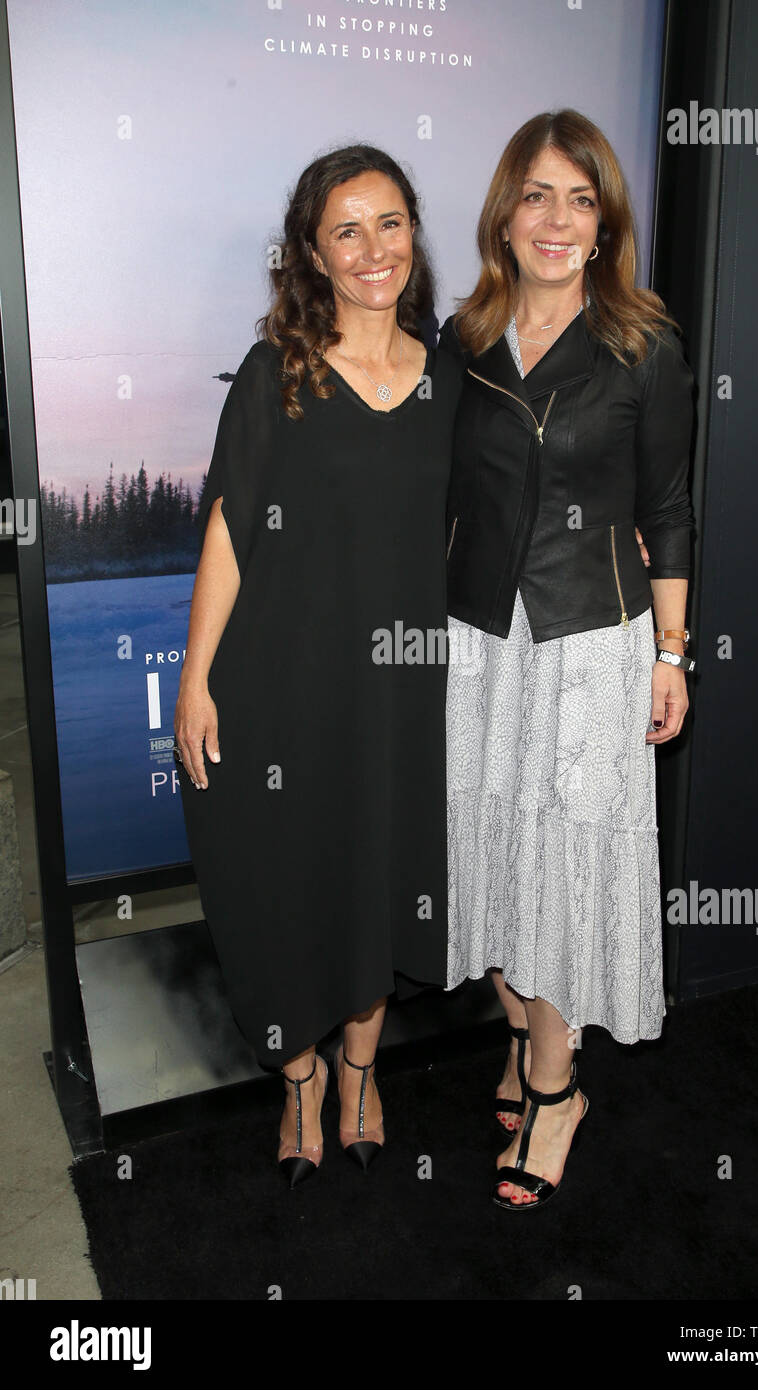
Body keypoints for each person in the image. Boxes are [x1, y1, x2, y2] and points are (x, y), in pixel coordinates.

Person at [174, 145, 462, 1187]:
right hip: (280, 682)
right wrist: (196, 675)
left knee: (377, 876)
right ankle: (296, 1076)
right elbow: (229, 530)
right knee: (283, 877)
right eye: (347, 229)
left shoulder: (451, 384)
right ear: (312, 252)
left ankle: (357, 1070)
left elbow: (482, 527)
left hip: (398, 693)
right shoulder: (276, 375)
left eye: (389, 222)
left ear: (413, 236)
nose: (372, 248)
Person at [439, 109, 696, 1210]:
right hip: (480, 642)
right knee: (491, 855)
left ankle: (556, 1088)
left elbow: (671, 509)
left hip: (594, 642)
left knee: (563, 868)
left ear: (605, 224)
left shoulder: (644, 343)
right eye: (536, 195)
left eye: (579, 199)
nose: (555, 219)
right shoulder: (461, 339)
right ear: (505, 213)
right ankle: (522, 1037)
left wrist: (673, 652)